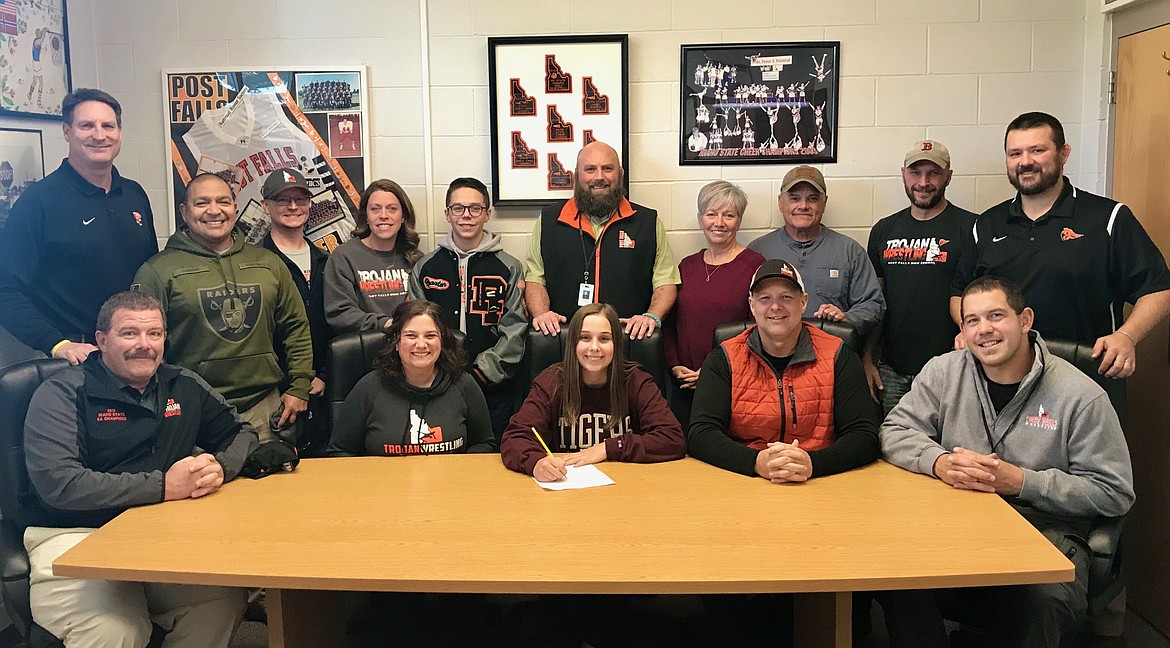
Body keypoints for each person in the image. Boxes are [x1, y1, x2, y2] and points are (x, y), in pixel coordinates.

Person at [878, 277, 1134, 647]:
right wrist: (939, 462)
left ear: (1025, 319)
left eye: (996, 316)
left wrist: (1021, 482)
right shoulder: (944, 371)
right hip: (956, 529)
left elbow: (1114, 493)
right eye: (972, 321)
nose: (984, 330)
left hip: (1046, 535)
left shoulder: (1081, 396)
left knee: (1037, 603)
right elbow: (894, 430)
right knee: (898, 583)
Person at [22, 291, 258, 647]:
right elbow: (62, 485)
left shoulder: (183, 384)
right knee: (116, 629)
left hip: (156, 535)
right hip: (72, 538)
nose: (144, 345)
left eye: (155, 334)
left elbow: (243, 432)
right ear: (101, 341)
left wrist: (222, 467)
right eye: (129, 333)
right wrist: (164, 487)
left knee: (218, 601)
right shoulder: (62, 393)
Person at [955, 111, 1170, 380]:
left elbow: (1158, 289)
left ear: (1063, 153)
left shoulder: (1108, 218)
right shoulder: (986, 224)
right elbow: (960, 294)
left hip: (1085, 372)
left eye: (1037, 150)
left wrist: (1126, 336)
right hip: (1002, 375)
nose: (1025, 162)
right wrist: (969, 329)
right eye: (1015, 153)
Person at [133, 173, 314, 442]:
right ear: (184, 211)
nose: (214, 210)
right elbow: (141, 342)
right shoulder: (157, 271)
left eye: (223, 201)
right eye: (202, 203)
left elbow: (296, 326)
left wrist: (300, 387)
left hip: (265, 408)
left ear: (235, 209)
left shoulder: (268, 263)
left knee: (273, 483)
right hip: (193, 410)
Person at [0, 88, 156, 364]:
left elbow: (150, 273)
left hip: (137, 351)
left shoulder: (134, 195)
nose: (99, 135)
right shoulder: (38, 202)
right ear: (67, 131)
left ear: (120, 133)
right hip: (75, 356)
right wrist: (57, 344)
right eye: (87, 125)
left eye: (108, 125)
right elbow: (6, 291)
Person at [687, 259, 880, 482]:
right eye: (764, 298)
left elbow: (865, 437)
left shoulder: (839, 355)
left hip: (821, 482)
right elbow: (701, 434)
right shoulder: (724, 359)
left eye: (786, 297)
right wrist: (756, 462)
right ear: (752, 305)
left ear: (804, 302)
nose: (775, 306)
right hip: (744, 481)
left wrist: (813, 464)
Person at [501, 303, 686, 481]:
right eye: (585, 338)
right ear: (573, 343)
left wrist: (609, 447)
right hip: (567, 486)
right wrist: (536, 463)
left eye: (604, 339)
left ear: (616, 344)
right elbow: (515, 437)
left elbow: (672, 438)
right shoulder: (551, 382)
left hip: (626, 486)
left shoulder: (636, 382)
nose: (595, 347)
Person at [409, 177, 526, 443]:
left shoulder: (508, 267)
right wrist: (436, 369)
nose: (466, 216)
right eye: (458, 208)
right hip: (437, 383)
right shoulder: (425, 267)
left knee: (492, 456)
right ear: (447, 214)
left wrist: (482, 373)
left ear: (487, 213)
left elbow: (516, 329)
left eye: (475, 208)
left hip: (493, 387)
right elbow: (415, 326)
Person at [524, 141, 680, 339]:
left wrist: (652, 316)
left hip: (628, 341)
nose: (599, 177)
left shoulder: (648, 222)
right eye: (590, 169)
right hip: (565, 341)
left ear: (620, 173)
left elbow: (666, 282)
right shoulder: (549, 221)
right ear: (577, 174)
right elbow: (535, 278)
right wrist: (542, 314)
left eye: (608, 168)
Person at [864, 140, 976, 414]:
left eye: (933, 173)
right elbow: (875, 302)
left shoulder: (972, 228)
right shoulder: (883, 230)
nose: (923, 182)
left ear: (948, 175)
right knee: (893, 446)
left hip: (952, 368)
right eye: (915, 173)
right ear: (903, 174)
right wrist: (866, 359)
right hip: (891, 370)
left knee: (947, 449)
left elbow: (981, 297)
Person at [327, 300, 493, 456]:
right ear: (397, 342)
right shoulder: (369, 388)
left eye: (430, 336)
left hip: (449, 484)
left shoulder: (464, 384)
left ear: (442, 341)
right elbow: (340, 452)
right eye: (411, 336)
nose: (421, 344)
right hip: (384, 485)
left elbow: (484, 443)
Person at [664, 180, 765, 432]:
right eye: (711, 214)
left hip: (732, 386)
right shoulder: (687, 266)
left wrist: (711, 372)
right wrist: (674, 364)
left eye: (728, 215)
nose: (719, 223)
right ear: (701, 219)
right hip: (683, 386)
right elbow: (670, 325)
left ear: (738, 221)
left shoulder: (755, 266)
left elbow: (758, 330)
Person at [747, 165, 884, 337]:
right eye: (794, 198)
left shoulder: (849, 251)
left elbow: (873, 304)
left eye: (812, 199)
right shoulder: (758, 251)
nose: (803, 206)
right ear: (781, 202)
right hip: (771, 355)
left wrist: (846, 317)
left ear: (824, 203)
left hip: (833, 355)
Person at [259, 168, 331, 454]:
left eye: (300, 199)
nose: (292, 207)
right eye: (282, 199)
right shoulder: (257, 263)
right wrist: (293, 382)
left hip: (325, 387)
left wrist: (323, 374)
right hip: (276, 391)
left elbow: (335, 324)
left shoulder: (327, 261)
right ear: (265, 206)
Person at [325, 178, 422, 334]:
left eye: (392, 209)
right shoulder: (343, 257)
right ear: (366, 216)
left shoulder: (415, 258)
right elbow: (339, 314)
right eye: (375, 209)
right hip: (362, 350)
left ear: (403, 216)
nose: (383, 215)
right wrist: (385, 324)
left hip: (408, 349)